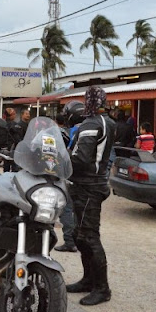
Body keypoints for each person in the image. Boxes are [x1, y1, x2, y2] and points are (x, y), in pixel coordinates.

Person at [66, 86, 115, 305]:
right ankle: (88, 280)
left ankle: (102, 289)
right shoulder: (107, 122)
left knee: (89, 236)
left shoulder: (91, 124)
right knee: (80, 235)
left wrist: (61, 161)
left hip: (88, 186)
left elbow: (82, 158)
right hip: (93, 183)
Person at [54, 101, 84, 253]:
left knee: (67, 208)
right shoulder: (92, 127)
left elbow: (68, 153)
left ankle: (70, 241)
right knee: (78, 210)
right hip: (89, 177)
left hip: (73, 175)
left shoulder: (75, 131)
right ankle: (79, 240)